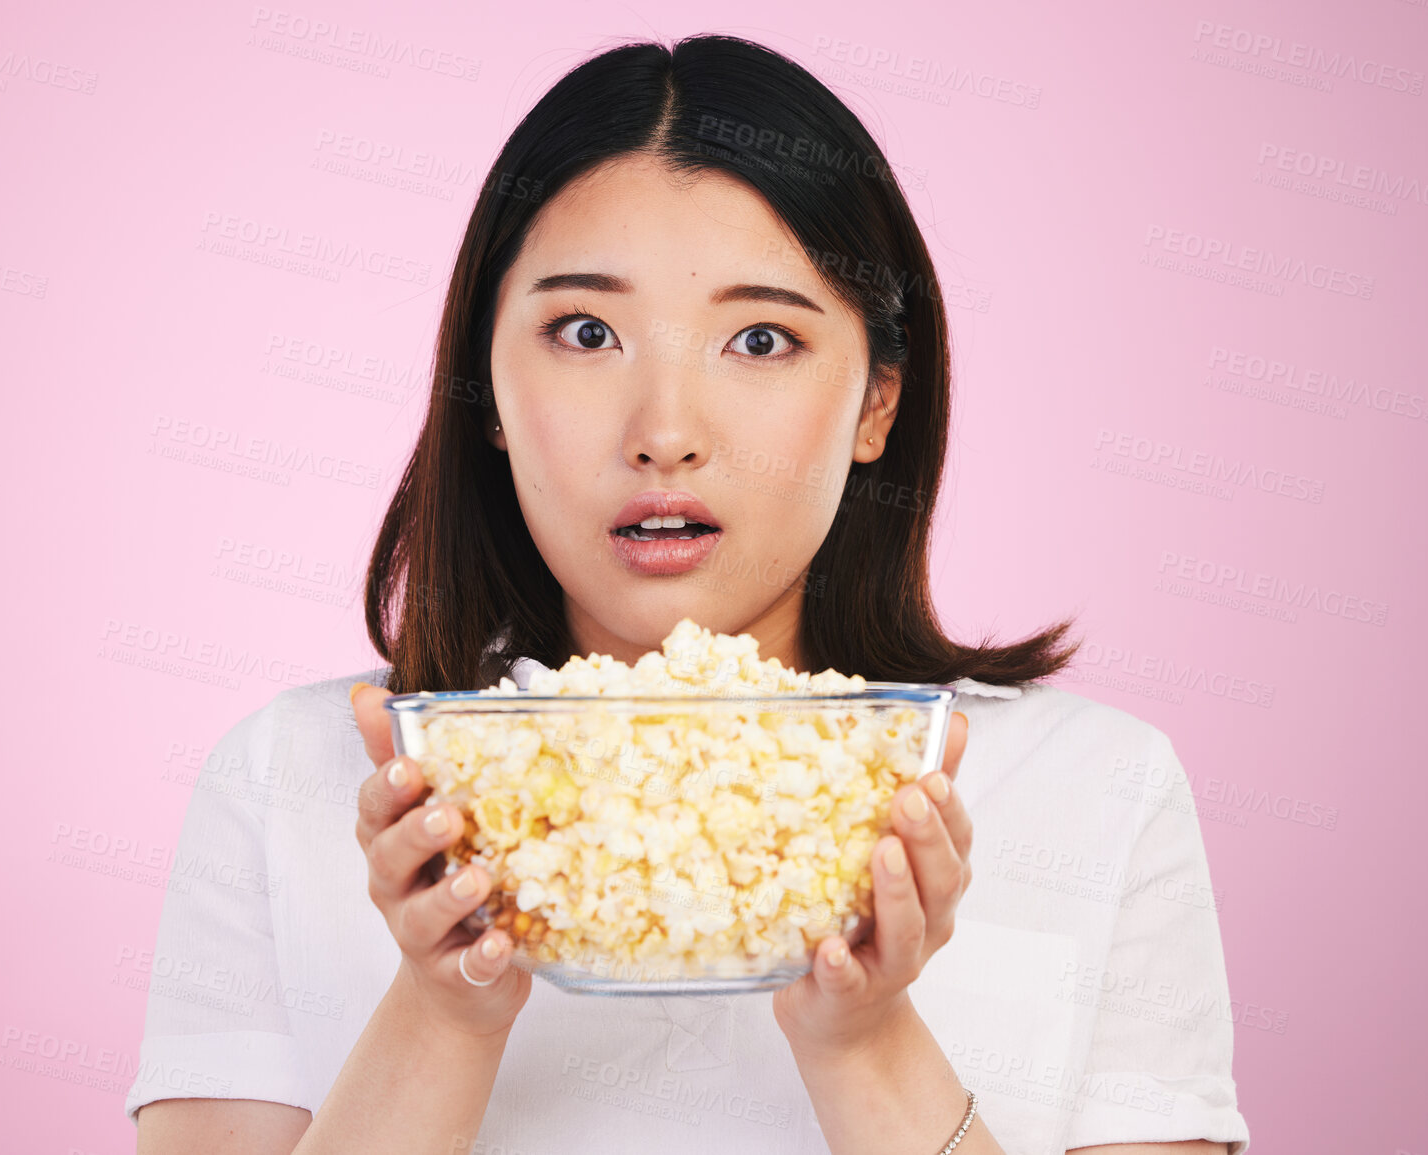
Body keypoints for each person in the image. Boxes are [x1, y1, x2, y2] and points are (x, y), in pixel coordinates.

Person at [126, 34, 1249, 1155]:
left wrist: (866, 1044)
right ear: (488, 394)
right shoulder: (292, 781)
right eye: (586, 332)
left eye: (759, 339)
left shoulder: (1096, 791)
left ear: (878, 403)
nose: (665, 433)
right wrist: (441, 1005)